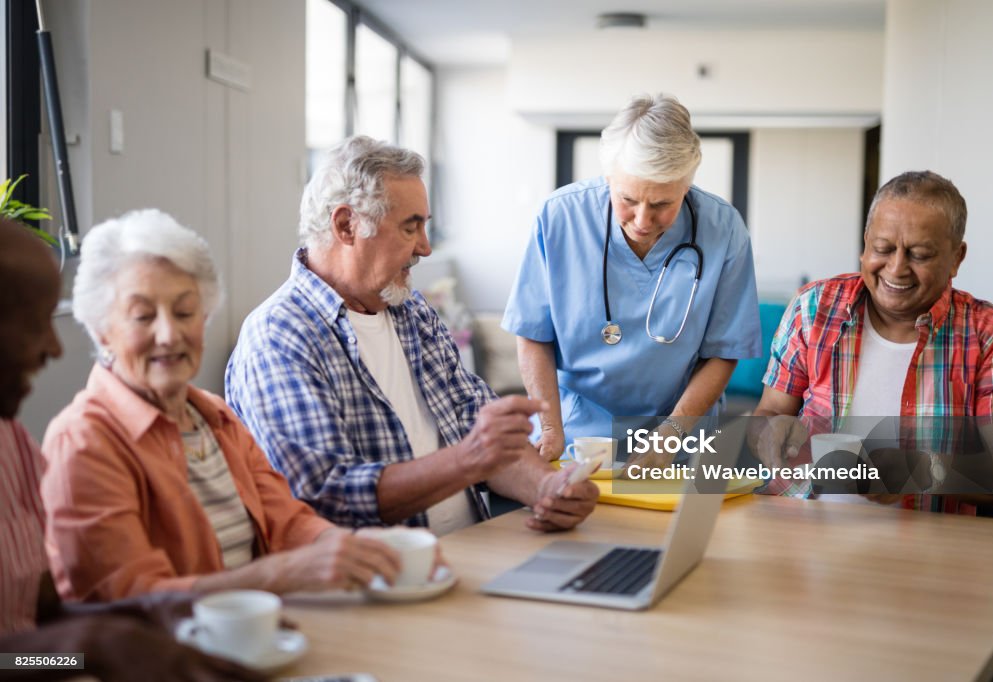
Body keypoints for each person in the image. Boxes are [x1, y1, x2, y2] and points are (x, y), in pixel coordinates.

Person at [225, 136, 598, 535]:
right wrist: (467, 459)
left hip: (469, 552)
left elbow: (481, 431)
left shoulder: (412, 312)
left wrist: (547, 488)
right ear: (346, 225)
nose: (425, 247)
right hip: (378, 578)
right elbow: (326, 498)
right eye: (410, 227)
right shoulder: (279, 337)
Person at [40, 209, 406, 603]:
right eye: (142, 316)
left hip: (252, 638)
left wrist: (348, 547)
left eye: (184, 312)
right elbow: (129, 598)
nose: (169, 334)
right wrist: (279, 574)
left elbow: (286, 520)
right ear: (101, 331)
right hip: (159, 658)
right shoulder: (83, 441)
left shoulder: (214, 417)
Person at [0, 218, 263, 681]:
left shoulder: (13, 444)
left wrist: (158, 618)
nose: (55, 348)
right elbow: (17, 658)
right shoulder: (81, 438)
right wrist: (91, 645)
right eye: (32, 323)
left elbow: (39, 618)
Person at [502, 94, 761, 463]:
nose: (642, 220)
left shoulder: (723, 228)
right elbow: (531, 333)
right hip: (577, 431)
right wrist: (549, 428)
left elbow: (724, 351)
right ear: (608, 177)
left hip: (681, 434)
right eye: (628, 199)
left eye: (661, 204)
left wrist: (671, 436)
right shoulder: (559, 218)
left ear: (686, 185)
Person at [753, 170, 993, 512]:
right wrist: (770, 432)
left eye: (920, 254)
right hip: (801, 528)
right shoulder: (813, 308)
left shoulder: (989, 334)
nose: (896, 269)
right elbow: (773, 410)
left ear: (957, 257)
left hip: (932, 550)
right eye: (882, 248)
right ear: (865, 245)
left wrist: (926, 471)